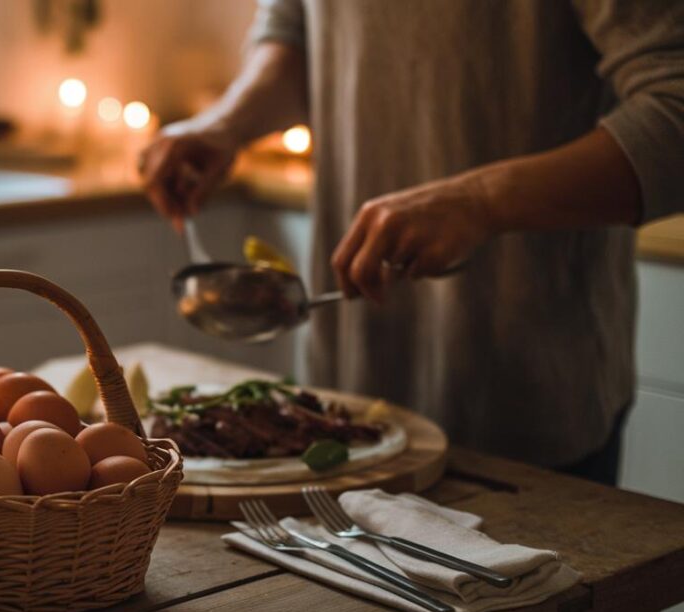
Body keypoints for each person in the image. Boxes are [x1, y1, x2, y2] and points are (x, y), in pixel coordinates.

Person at [140, 1, 684, 485]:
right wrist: (226, 124)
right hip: (347, 405)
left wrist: (481, 200)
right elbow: (295, 30)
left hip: (527, 401)